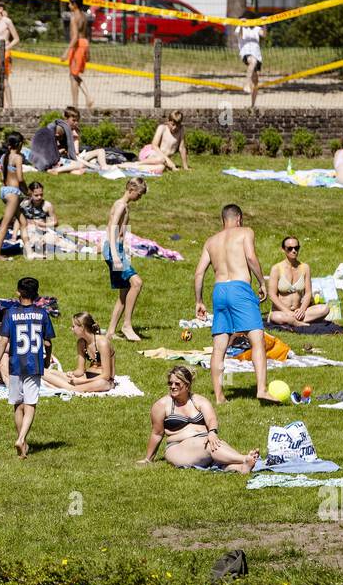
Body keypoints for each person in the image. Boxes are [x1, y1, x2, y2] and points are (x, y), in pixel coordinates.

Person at [195, 204, 275, 403]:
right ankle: (262, 389)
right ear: (238, 218)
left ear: (223, 219)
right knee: (257, 339)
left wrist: (199, 301)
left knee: (219, 346)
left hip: (219, 290)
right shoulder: (245, 232)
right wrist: (261, 282)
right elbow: (250, 256)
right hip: (240, 288)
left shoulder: (211, 241)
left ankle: (220, 396)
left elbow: (199, 273)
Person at [138, 367, 258, 472]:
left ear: (187, 385)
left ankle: (242, 467)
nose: (173, 387)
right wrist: (148, 459)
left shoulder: (199, 400)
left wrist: (212, 432)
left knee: (217, 447)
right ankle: (243, 458)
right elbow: (157, 433)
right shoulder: (162, 405)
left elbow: (211, 419)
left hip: (206, 441)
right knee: (210, 447)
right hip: (178, 447)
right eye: (170, 383)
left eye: (177, 384)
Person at [1, 277, 55, 458]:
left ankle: (21, 442)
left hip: (15, 364)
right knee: (30, 403)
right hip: (34, 364)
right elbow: (47, 343)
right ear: (37, 294)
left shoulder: (10, 313)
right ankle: (22, 438)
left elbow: (3, 341)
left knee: (17, 404)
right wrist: (47, 361)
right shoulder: (42, 314)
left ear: (18, 292)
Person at [105, 178, 147, 341]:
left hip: (117, 249)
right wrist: (116, 255)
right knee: (136, 283)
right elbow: (112, 229)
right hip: (113, 250)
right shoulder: (121, 205)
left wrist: (124, 249)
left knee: (124, 293)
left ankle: (110, 332)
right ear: (131, 189)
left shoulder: (122, 205)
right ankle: (127, 325)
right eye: (139, 194)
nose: (140, 197)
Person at [42, 312, 116, 393]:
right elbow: (80, 370)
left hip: (103, 381)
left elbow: (106, 375)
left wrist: (80, 381)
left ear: (82, 327)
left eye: (73, 326)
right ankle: (68, 387)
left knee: (102, 383)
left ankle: (67, 388)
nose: (71, 328)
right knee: (44, 371)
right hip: (86, 377)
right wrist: (72, 373)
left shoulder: (102, 343)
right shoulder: (81, 343)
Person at [267, 236, 331, 328]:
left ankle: (293, 321)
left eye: (296, 248)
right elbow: (272, 295)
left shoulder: (305, 267)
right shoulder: (276, 268)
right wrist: (287, 311)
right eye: (290, 248)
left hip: (299, 312)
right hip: (282, 312)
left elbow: (308, 293)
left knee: (325, 309)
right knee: (276, 316)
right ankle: (297, 322)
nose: (294, 251)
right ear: (283, 249)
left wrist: (302, 309)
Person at [0, 131, 26, 259]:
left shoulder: (4, 157)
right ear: (19, 144)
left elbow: (2, 177)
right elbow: (20, 178)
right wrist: (27, 191)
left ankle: (28, 250)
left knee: (23, 222)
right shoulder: (18, 158)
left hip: (5, 190)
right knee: (5, 225)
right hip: (13, 193)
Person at [63, 0, 94, 110]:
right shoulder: (84, 16)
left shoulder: (73, 17)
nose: (68, 5)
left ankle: (87, 97)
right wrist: (88, 50)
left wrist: (66, 51)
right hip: (84, 43)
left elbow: (75, 37)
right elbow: (86, 35)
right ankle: (76, 103)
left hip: (77, 46)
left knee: (73, 75)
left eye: (70, 3)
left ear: (75, 5)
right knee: (73, 75)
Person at [20, 181, 57, 259]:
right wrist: (14, 236)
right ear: (30, 193)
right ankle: (38, 249)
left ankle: (40, 248)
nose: (39, 197)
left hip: (43, 230)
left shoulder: (47, 205)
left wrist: (44, 225)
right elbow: (18, 220)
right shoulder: (24, 205)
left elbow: (55, 222)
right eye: (36, 195)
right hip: (29, 230)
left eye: (41, 194)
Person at [237, 10, 264, 109]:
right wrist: (241, 23)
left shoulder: (256, 28)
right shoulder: (241, 27)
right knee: (252, 61)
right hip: (246, 53)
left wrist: (264, 23)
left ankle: (252, 105)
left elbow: (264, 34)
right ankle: (246, 83)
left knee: (256, 81)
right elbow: (240, 35)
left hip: (257, 55)